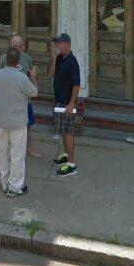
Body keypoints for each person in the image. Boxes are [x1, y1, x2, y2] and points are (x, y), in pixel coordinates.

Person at [0, 47, 38, 197]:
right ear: (18, 61)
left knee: (3, 153)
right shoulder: (21, 77)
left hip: (2, 121)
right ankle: (15, 187)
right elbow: (34, 92)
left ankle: (5, 184)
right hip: (17, 122)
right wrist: (33, 77)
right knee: (17, 155)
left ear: (5, 59)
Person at [0, 35, 42, 159]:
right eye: (14, 45)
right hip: (7, 101)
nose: (17, 47)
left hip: (25, 101)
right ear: (10, 45)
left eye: (19, 45)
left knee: (27, 125)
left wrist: (33, 79)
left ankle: (28, 148)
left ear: (23, 46)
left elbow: (31, 78)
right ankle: (8, 151)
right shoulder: (3, 59)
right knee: (8, 128)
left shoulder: (27, 58)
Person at [48, 33, 81, 177]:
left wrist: (72, 103)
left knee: (68, 133)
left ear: (68, 44)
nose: (58, 45)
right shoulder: (60, 58)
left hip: (67, 103)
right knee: (62, 131)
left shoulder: (72, 62)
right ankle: (66, 155)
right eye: (57, 43)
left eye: (60, 43)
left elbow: (76, 85)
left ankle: (72, 165)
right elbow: (50, 74)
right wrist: (54, 58)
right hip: (59, 101)